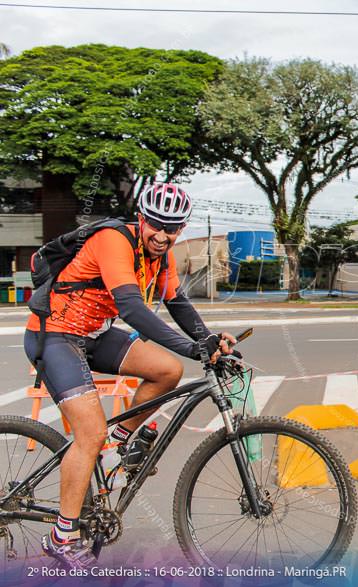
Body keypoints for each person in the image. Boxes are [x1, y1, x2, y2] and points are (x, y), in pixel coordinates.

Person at [23, 183, 236, 569]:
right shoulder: (114, 240)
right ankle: (61, 538)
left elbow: (177, 302)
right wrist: (191, 348)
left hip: (95, 334)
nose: (161, 234)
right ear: (141, 219)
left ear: (181, 229)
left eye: (171, 228)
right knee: (89, 433)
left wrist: (207, 340)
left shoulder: (162, 255)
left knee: (167, 371)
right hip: (55, 334)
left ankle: (121, 446)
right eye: (155, 224)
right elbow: (132, 308)